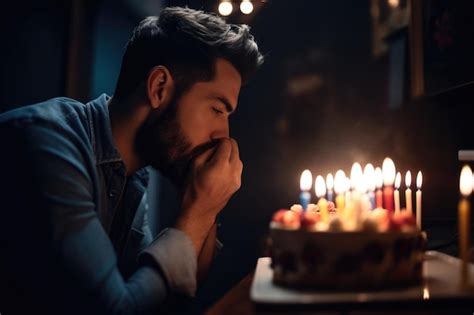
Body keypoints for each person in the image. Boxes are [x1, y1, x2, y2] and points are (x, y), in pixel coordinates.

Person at [0, 6, 263, 314]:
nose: (224, 135)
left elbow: (157, 298)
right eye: (218, 110)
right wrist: (199, 210)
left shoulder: (128, 175)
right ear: (159, 87)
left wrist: (207, 208)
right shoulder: (50, 145)